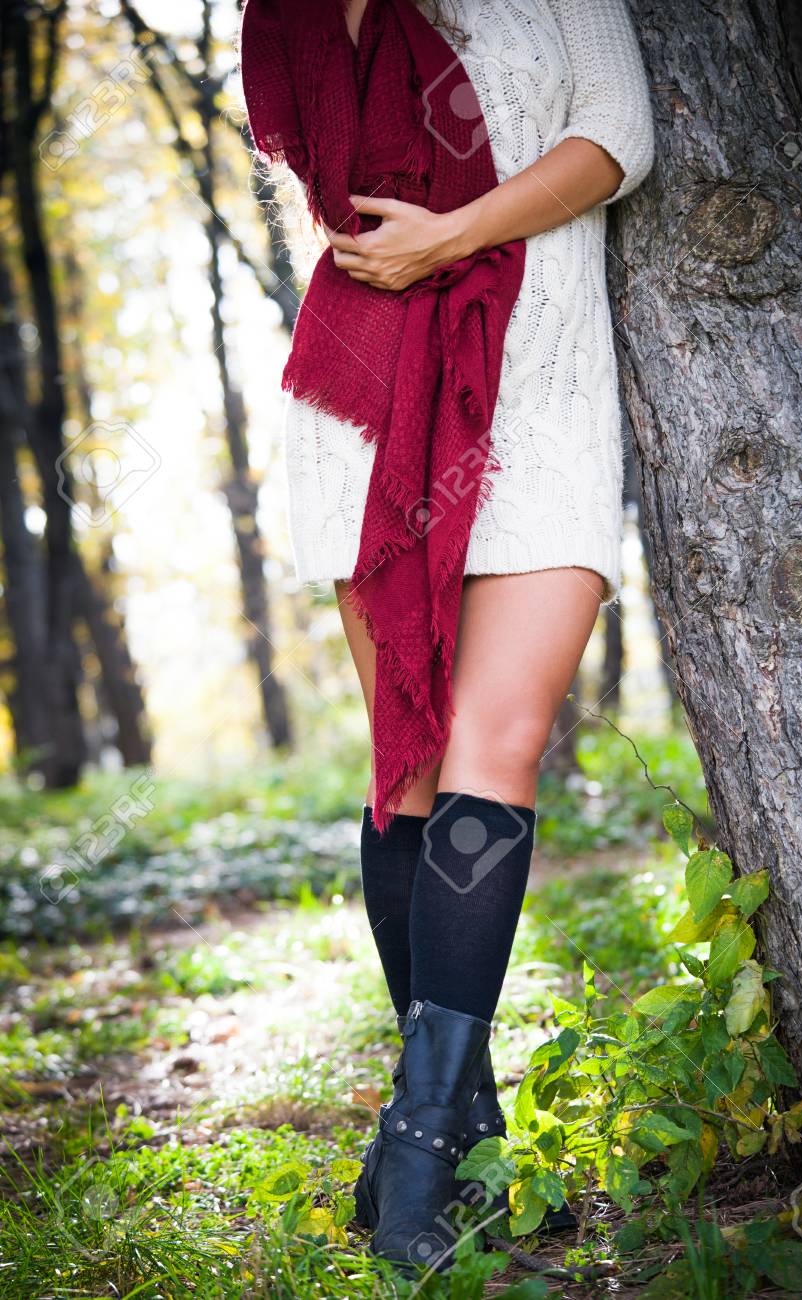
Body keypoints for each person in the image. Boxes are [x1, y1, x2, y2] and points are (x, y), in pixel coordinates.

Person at [241, 0, 653, 1272]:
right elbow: (320, 167)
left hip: (538, 382)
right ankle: (445, 1148)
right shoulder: (298, 13)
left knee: (498, 741)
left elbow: (617, 135)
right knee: (410, 759)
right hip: (371, 407)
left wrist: (455, 236)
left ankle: (412, 1160)